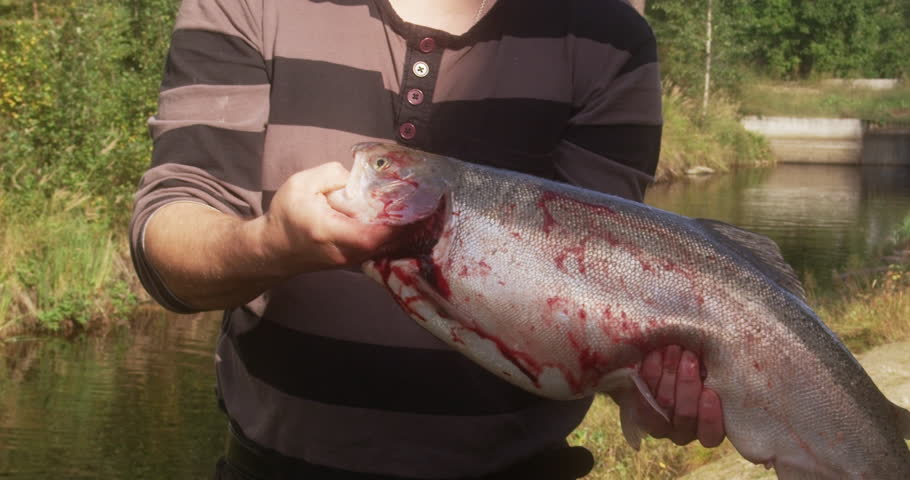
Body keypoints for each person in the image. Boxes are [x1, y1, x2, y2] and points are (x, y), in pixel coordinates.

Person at [129, 0, 725, 478]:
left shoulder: (610, 34)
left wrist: (644, 383)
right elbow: (169, 235)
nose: (368, 162)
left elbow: (597, 292)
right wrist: (268, 246)